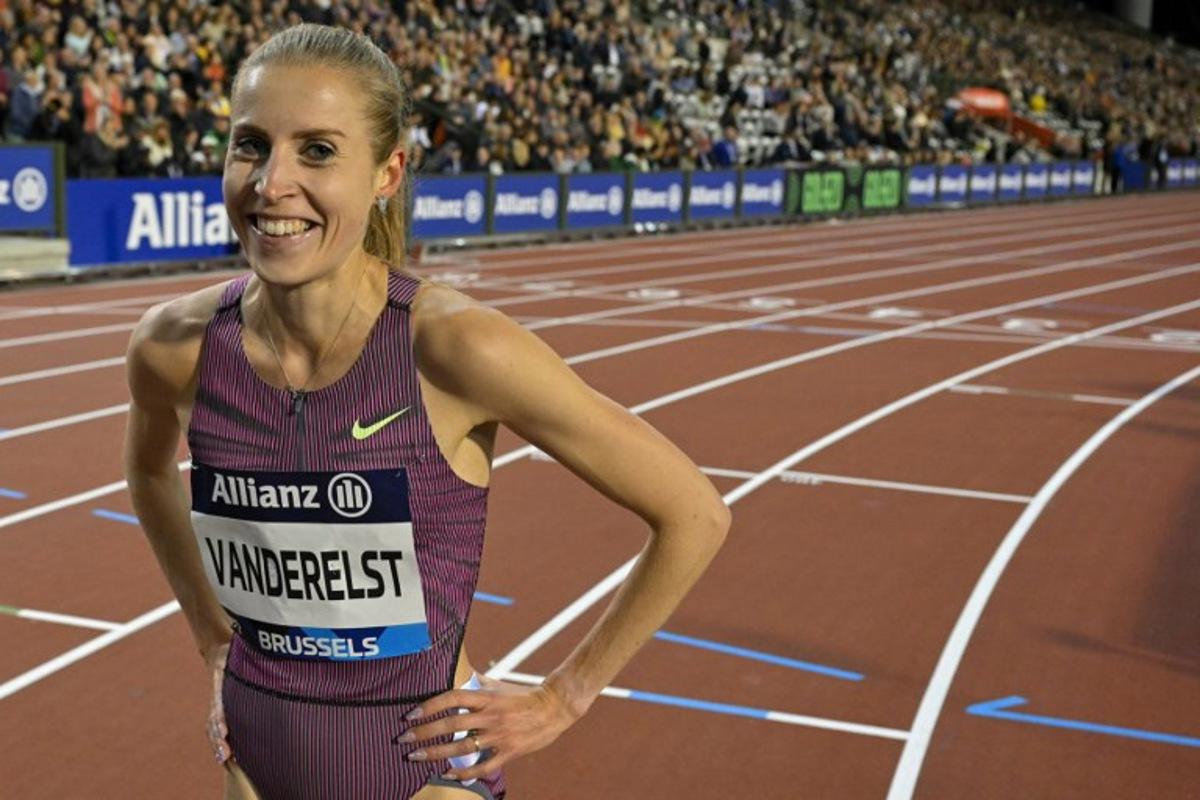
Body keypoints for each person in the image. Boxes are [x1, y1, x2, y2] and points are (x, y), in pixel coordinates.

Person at [123, 24, 729, 800]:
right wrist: (213, 639)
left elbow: (695, 513)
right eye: (250, 145)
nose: (271, 183)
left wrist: (563, 697)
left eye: (316, 151)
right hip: (255, 761)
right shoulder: (174, 347)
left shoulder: (454, 349)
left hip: (421, 772)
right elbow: (146, 473)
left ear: (387, 172)